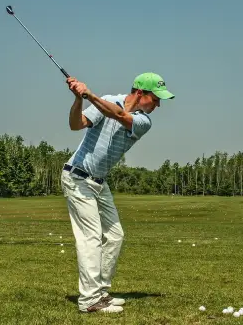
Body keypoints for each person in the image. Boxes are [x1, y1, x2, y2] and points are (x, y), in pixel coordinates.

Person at [60, 72, 175, 313]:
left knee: (115, 236)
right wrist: (79, 98)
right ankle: (89, 300)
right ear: (141, 93)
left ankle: (100, 291)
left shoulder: (143, 121)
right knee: (90, 238)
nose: (158, 105)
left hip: (100, 183)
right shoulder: (107, 100)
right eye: (155, 99)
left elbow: (119, 114)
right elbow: (75, 125)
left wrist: (89, 94)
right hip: (77, 177)